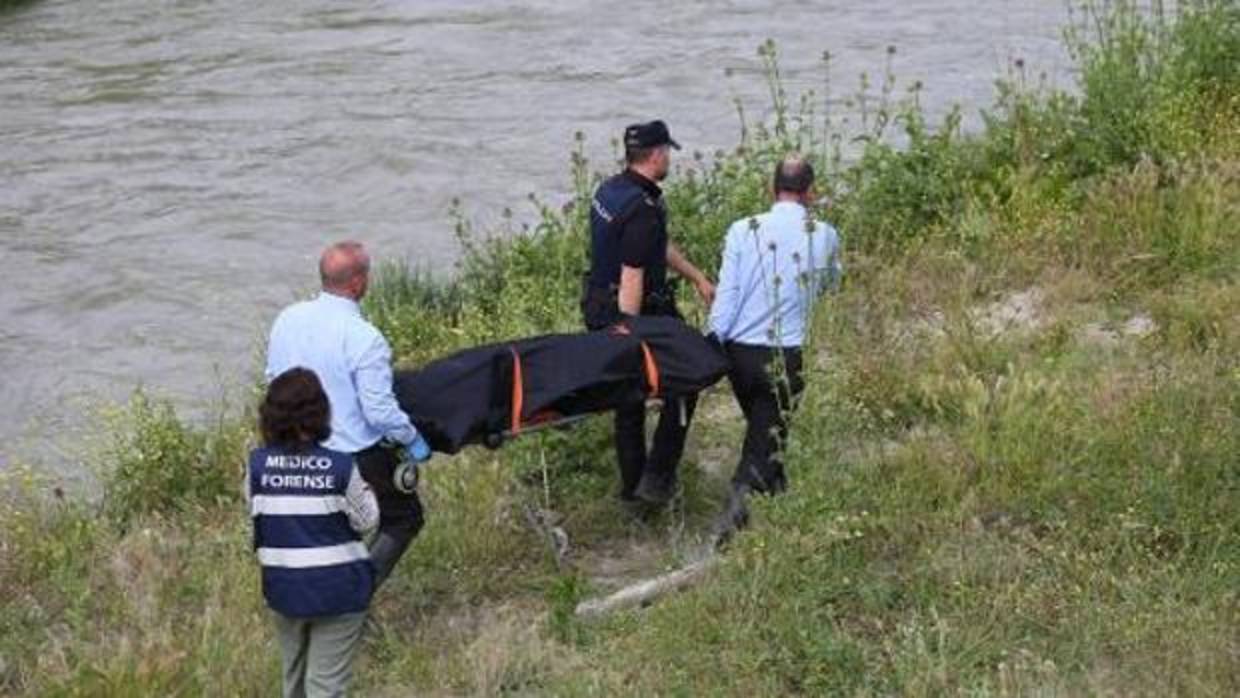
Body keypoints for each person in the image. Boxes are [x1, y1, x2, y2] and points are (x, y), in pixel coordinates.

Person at [266, 241, 431, 588]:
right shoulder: (364, 338)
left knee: (324, 532)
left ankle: (313, 592)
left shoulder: (287, 319)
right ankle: (355, 595)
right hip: (352, 456)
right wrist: (412, 438)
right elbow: (379, 411)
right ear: (358, 283)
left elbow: (273, 381)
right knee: (403, 518)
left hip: (293, 449)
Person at [581, 119, 716, 506]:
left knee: (629, 398)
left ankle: (632, 491)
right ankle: (656, 480)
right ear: (656, 155)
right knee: (689, 375)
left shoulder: (610, 191)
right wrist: (630, 335)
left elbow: (653, 247)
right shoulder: (642, 208)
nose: (669, 158)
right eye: (668, 152)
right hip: (631, 310)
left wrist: (697, 278)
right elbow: (632, 276)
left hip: (597, 304)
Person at [707, 154, 842, 540]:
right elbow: (832, 286)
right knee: (764, 440)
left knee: (766, 431)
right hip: (786, 352)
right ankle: (730, 526)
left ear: (772, 189)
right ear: (811, 192)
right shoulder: (825, 234)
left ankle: (780, 501)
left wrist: (713, 344)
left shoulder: (740, 230)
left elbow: (727, 297)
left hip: (738, 353)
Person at [248, 367, 379, 698]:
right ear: (320, 412)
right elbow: (368, 521)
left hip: (284, 588)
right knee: (325, 686)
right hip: (340, 589)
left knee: (293, 680)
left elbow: (257, 511)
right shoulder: (341, 466)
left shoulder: (256, 466)